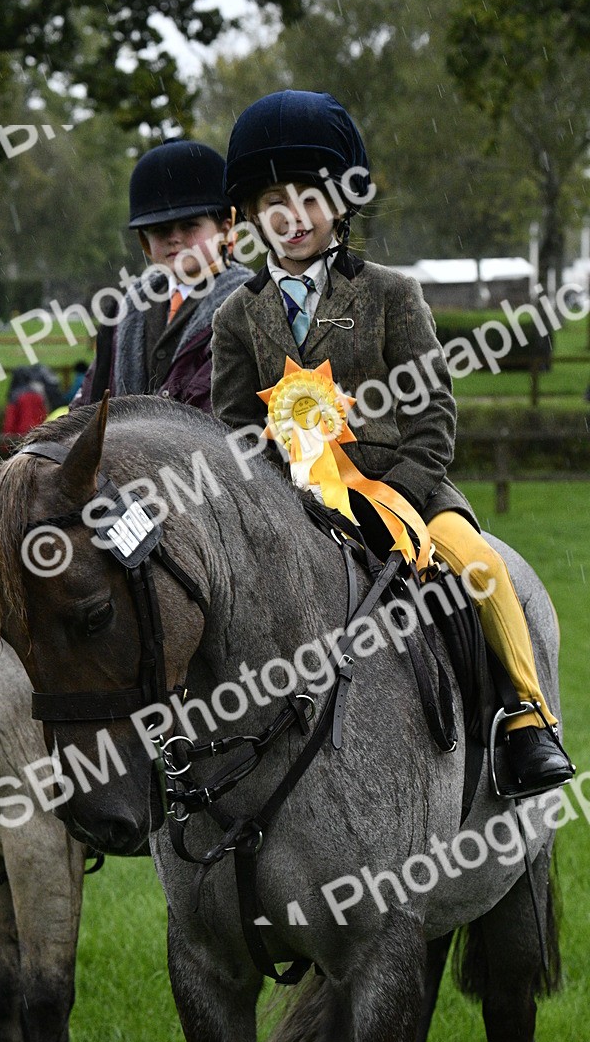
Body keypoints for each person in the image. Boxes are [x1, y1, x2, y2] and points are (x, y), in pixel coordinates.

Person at [210, 89, 573, 797]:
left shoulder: (391, 295)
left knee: (476, 566)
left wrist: (398, 494)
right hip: (294, 506)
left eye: (310, 198)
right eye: (273, 201)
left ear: (341, 206)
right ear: (252, 214)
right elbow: (232, 428)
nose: (292, 216)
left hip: (405, 491)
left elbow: (433, 410)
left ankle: (527, 720)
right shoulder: (236, 316)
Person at [74, 139, 252, 412]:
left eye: (189, 225)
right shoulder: (123, 313)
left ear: (225, 226)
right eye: (160, 230)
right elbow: (89, 401)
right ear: (144, 240)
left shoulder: (247, 306)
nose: (174, 239)